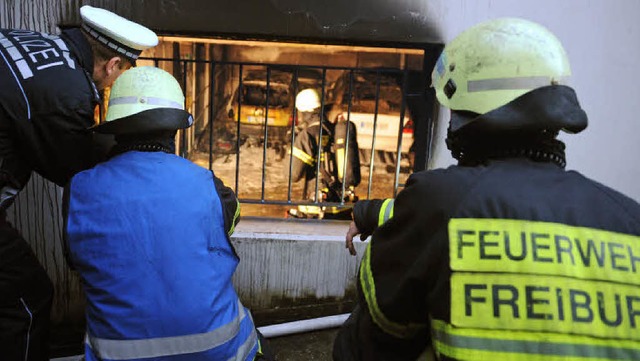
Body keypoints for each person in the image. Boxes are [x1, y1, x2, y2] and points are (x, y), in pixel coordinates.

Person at [333, 17, 640, 361]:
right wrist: (370, 212)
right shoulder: (628, 219)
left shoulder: (441, 200)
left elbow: (371, 344)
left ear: (468, 116)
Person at [63, 66, 272, 361]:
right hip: (216, 351)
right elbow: (230, 221)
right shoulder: (206, 184)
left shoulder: (80, 189)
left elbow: (77, 260)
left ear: (115, 128)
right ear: (175, 128)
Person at [0, 6, 157, 361]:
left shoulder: (33, 41)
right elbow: (76, 171)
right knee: (28, 296)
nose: (114, 82)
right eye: (121, 73)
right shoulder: (69, 94)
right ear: (113, 64)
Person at [289, 88, 361, 219]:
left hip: (317, 209)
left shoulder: (307, 135)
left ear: (304, 112)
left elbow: (293, 175)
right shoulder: (337, 130)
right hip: (342, 207)